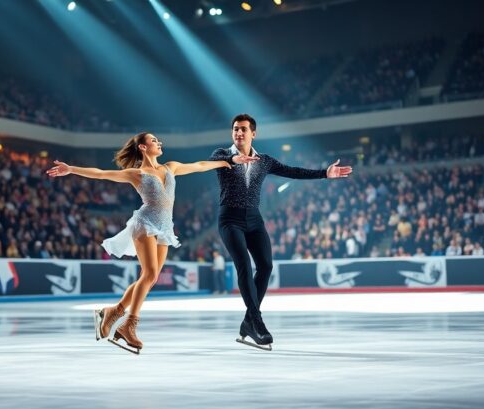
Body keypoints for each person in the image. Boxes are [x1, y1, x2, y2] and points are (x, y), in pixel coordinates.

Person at [46, 132, 254, 354]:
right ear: (143, 148)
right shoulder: (137, 174)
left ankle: (112, 312)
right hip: (144, 223)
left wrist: (229, 161)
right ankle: (128, 325)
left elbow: (200, 165)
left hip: (164, 227)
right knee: (148, 274)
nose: (159, 142)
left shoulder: (170, 167)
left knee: (151, 277)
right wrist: (71, 169)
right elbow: (102, 174)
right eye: (154, 140)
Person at [210, 114, 352, 350]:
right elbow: (221, 159)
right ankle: (257, 322)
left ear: (253, 133)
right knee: (244, 265)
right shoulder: (222, 155)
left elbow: (292, 171)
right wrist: (235, 159)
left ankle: (248, 321)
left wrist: (324, 174)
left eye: (244, 129)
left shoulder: (263, 161)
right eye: (235, 129)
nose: (239, 133)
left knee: (265, 266)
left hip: (254, 218)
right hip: (230, 219)